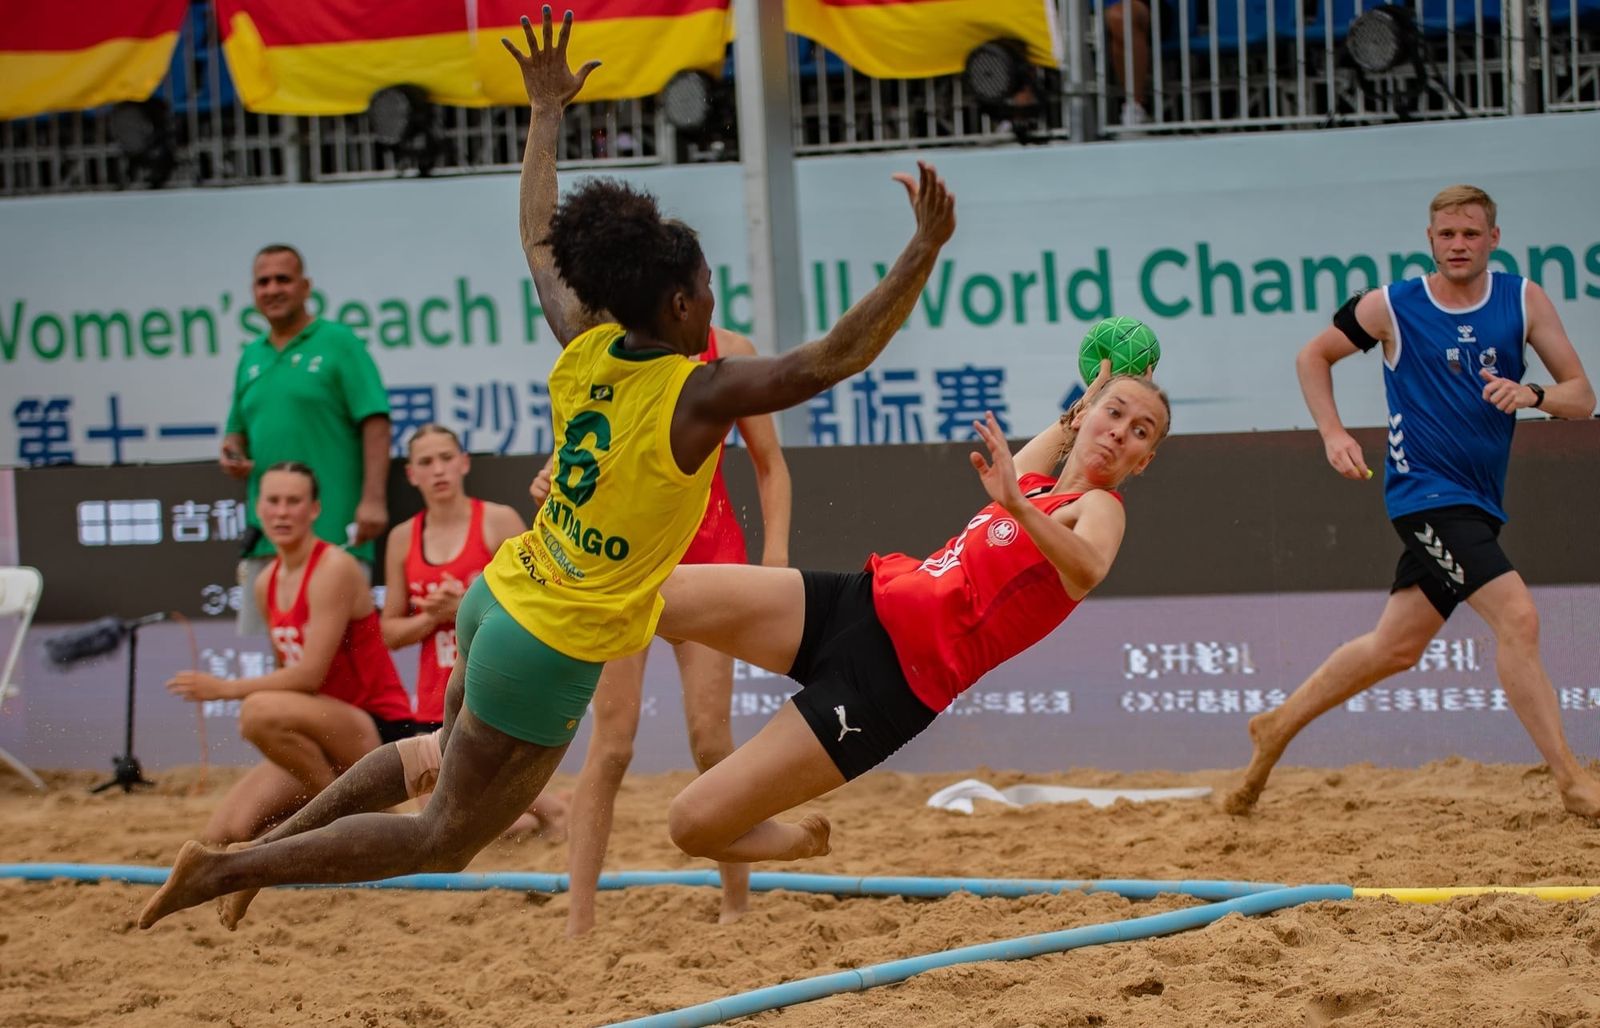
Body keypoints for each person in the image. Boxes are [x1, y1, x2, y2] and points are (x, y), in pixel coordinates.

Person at [138, 6, 957, 931]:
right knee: (442, 839)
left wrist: (545, 113)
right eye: (711, 290)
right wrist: (920, 252)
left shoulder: (587, 344)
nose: (718, 299)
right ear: (683, 303)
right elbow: (831, 358)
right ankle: (228, 868)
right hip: (550, 640)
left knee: (438, 758)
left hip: (505, 591)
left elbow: (538, 240)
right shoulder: (698, 394)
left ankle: (254, 858)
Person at [655, 370, 1169, 864]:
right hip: (859, 604)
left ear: (1144, 461)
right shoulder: (1034, 483)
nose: (1120, 432)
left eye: (1139, 432)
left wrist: (1020, 505)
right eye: (1114, 413)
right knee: (659, 595)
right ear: (1086, 415)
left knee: (691, 824)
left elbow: (1090, 567)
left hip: (887, 690)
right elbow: (1053, 445)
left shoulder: (1101, 508)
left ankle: (803, 842)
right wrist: (1079, 411)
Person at [1223, 184, 1600, 820]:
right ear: (1430, 241)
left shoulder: (1522, 298)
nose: (1458, 244)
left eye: (1471, 234)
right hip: (1423, 495)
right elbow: (1313, 355)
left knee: (1395, 646)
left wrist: (1531, 394)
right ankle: (1572, 782)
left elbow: (1581, 395)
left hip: (1478, 500)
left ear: (1493, 240)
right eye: (1447, 234)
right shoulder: (1392, 305)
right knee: (1520, 618)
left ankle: (1277, 726)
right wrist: (1334, 432)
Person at [558, 325, 791, 936]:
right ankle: (578, 923)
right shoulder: (607, 348)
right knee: (611, 746)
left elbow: (771, 466)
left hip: (708, 561)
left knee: (711, 743)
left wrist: (775, 564)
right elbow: (575, 459)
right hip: (626, 568)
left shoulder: (729, 351)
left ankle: (736, 904)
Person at [167, 461, 416, 844]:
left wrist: (223, 688)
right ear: (258, 509)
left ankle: (343, 815)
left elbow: (307, 675)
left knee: (258, 711)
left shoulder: (333, 567)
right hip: (322, 728)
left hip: (375, 729)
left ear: (314, 510)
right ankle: (346, 816)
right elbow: (293, 680)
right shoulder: (266, 582)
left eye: (293, 501)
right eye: (274, 501)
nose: (282, 512)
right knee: (226, 834)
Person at [381, 423, 567, 838]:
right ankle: (534, 812)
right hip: (436, 692)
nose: (438, 470)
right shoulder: (402, 538)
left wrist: (463, 605)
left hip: (496, 680)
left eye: (446, 458)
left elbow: (537, 598)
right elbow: (390, 632)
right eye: (426, 462)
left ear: (464, 463)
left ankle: (551, 809)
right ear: (411, 474)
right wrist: (435, 616)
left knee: (469, 812)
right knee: (448, 819)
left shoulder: (497, 520)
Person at [221, 244, 392, 637]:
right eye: (263, 282)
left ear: (305, 286)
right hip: (268, 539)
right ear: (253, 292)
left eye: (283, 278)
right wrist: (233, 453)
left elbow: (376, 421)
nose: (273, 289)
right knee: (268, 664)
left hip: (333, 532)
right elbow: (235, 432)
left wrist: (373, 499)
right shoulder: (251, 356)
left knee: (338, 660)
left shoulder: (338, 342)